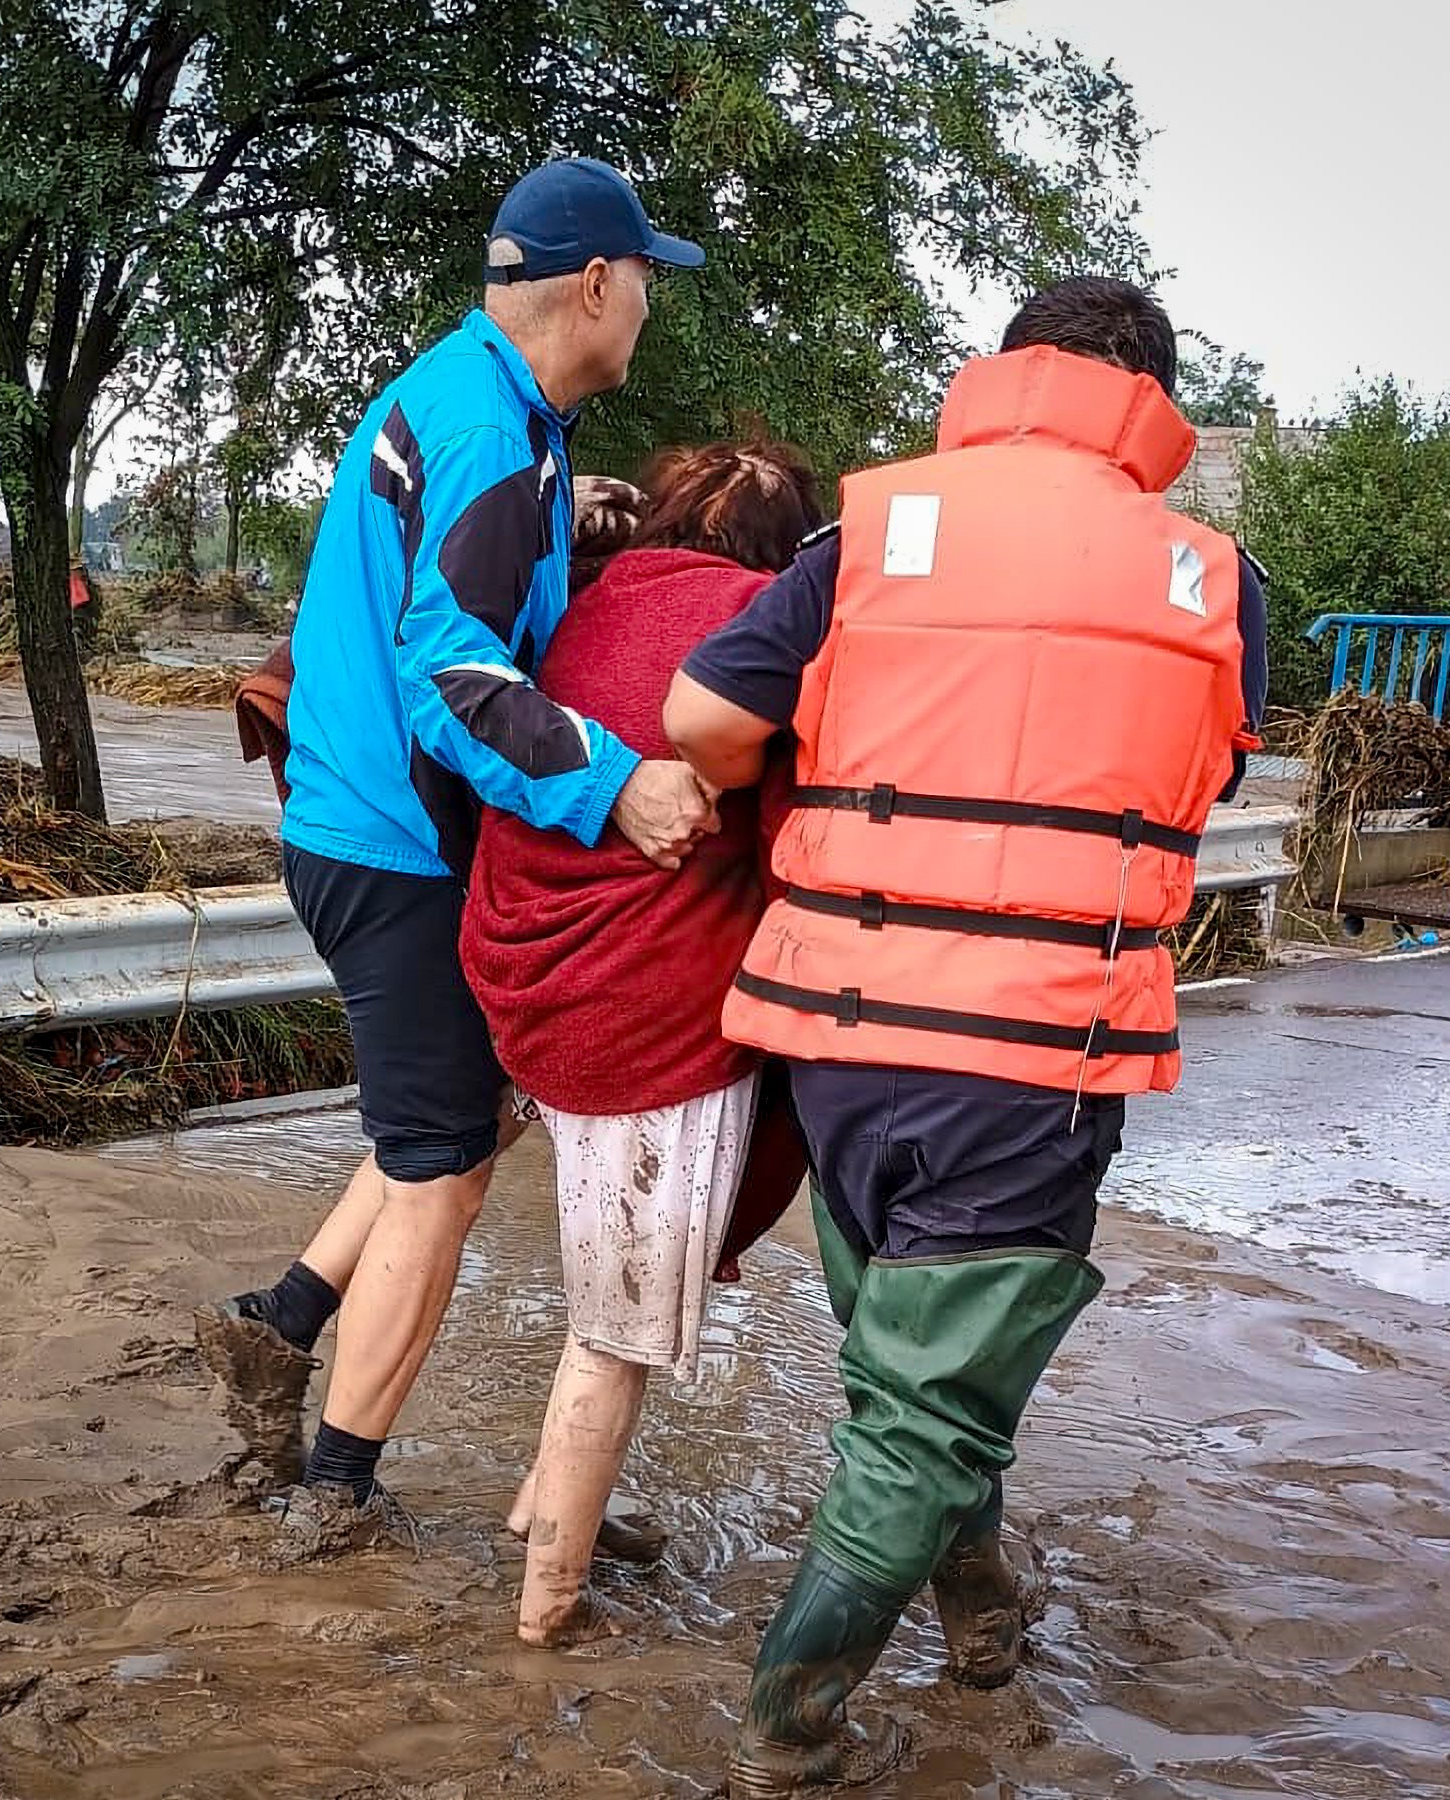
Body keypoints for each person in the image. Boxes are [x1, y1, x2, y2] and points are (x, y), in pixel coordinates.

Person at [664, 277, 1266, 1794]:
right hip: (1036, 1049)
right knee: (929, 1399)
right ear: (1152, 405)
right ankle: (788, 1729)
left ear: (1006, 373)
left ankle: (980, 1609)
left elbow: (701, 724)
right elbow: (1214, 778)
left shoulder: (866, 529)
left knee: (912, 1361)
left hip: (841, 1035)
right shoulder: (1212, 576)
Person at [197, 158, 717, 1553]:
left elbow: (461, 563)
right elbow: (453, 677)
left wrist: (573, 512)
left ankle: (281, 1320)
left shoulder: (481, 402)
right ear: (596, 285)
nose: (650, 306)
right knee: (443, 1165)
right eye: (645, 280)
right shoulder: (494, 436)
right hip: (399, 847)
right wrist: (616, 788)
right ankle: (334, 1486)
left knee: (460, 1112)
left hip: (352, 823)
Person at [458, 441, 824, 1645]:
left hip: (516, 985)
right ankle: (547, 1608)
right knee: (613, 1337)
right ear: (788, 554)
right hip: (638, 1022)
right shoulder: (763, 636)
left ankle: (548, 1508)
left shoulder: (582, 600)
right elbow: (793, 850)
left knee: (586, 1286)